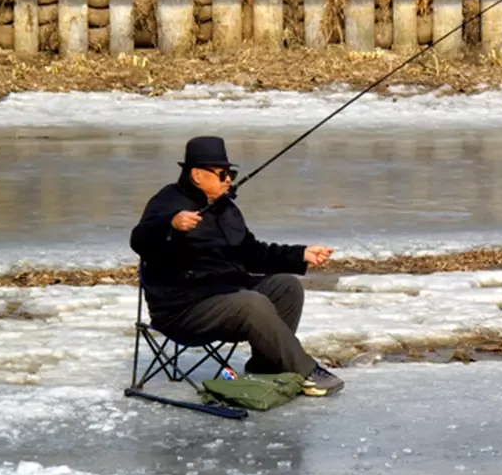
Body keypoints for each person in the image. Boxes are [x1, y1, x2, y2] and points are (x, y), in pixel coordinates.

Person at [129, 135, 344, 397]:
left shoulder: (225, 209)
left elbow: (252, 253)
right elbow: (140, 240)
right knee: (251, 303)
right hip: (183, 309)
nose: (229, 179)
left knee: (287, 286)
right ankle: (306, 371)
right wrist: (171, 225)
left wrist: (300, 255)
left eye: (230, 173)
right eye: (222, 174)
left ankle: (267, 367)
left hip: (226, 293)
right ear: (197, 174)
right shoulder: (168, 202)